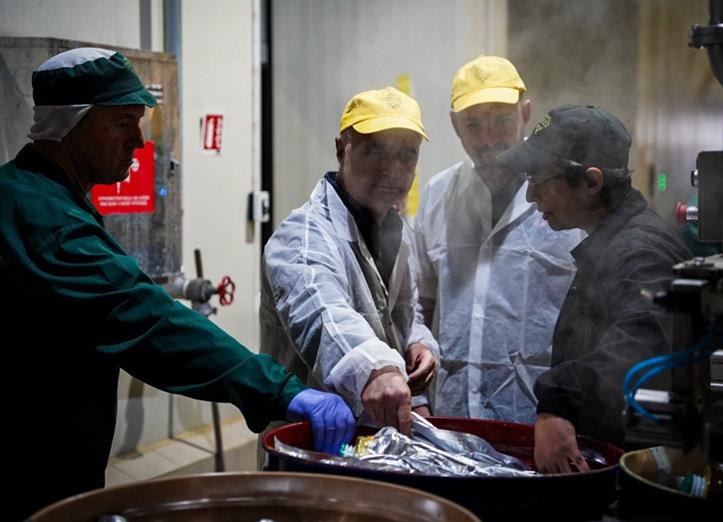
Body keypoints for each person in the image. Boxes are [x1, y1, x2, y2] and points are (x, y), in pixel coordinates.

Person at [0, 47, 355, 521]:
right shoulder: (49, 224)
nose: (139, 140)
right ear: (69, 125)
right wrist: (281, 390)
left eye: (139, 122)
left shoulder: (32, 193)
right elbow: (148, 322)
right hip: (30, 476)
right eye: (123, 122)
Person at [497, 104, 692, 473]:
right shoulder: (610, 243)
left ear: (591, 183)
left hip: (636, 477)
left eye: (539, 179)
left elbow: (641, 342)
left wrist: (561, 400)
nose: (530, 195)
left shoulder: (642, 252)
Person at [260, 86, 439, 433]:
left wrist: (417, 342)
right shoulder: (303, 236)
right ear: (342, 149)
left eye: (407, 154)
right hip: (309, 442)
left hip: (375, 441)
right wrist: (377, 369)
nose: (393, 169)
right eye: (377, 151)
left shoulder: (397, 233)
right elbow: (323, 312)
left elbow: (403, 314)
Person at [414, 55, 582, 423]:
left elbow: (593, 318)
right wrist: (417, 397)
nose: (490, 139)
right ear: (455, 125)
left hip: (539, 422)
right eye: (473, 124)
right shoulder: (438, 196)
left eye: (502, 121)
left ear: (526, 113)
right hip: (451, 417)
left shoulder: (567, 197)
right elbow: (419, 305)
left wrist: (572, 414)